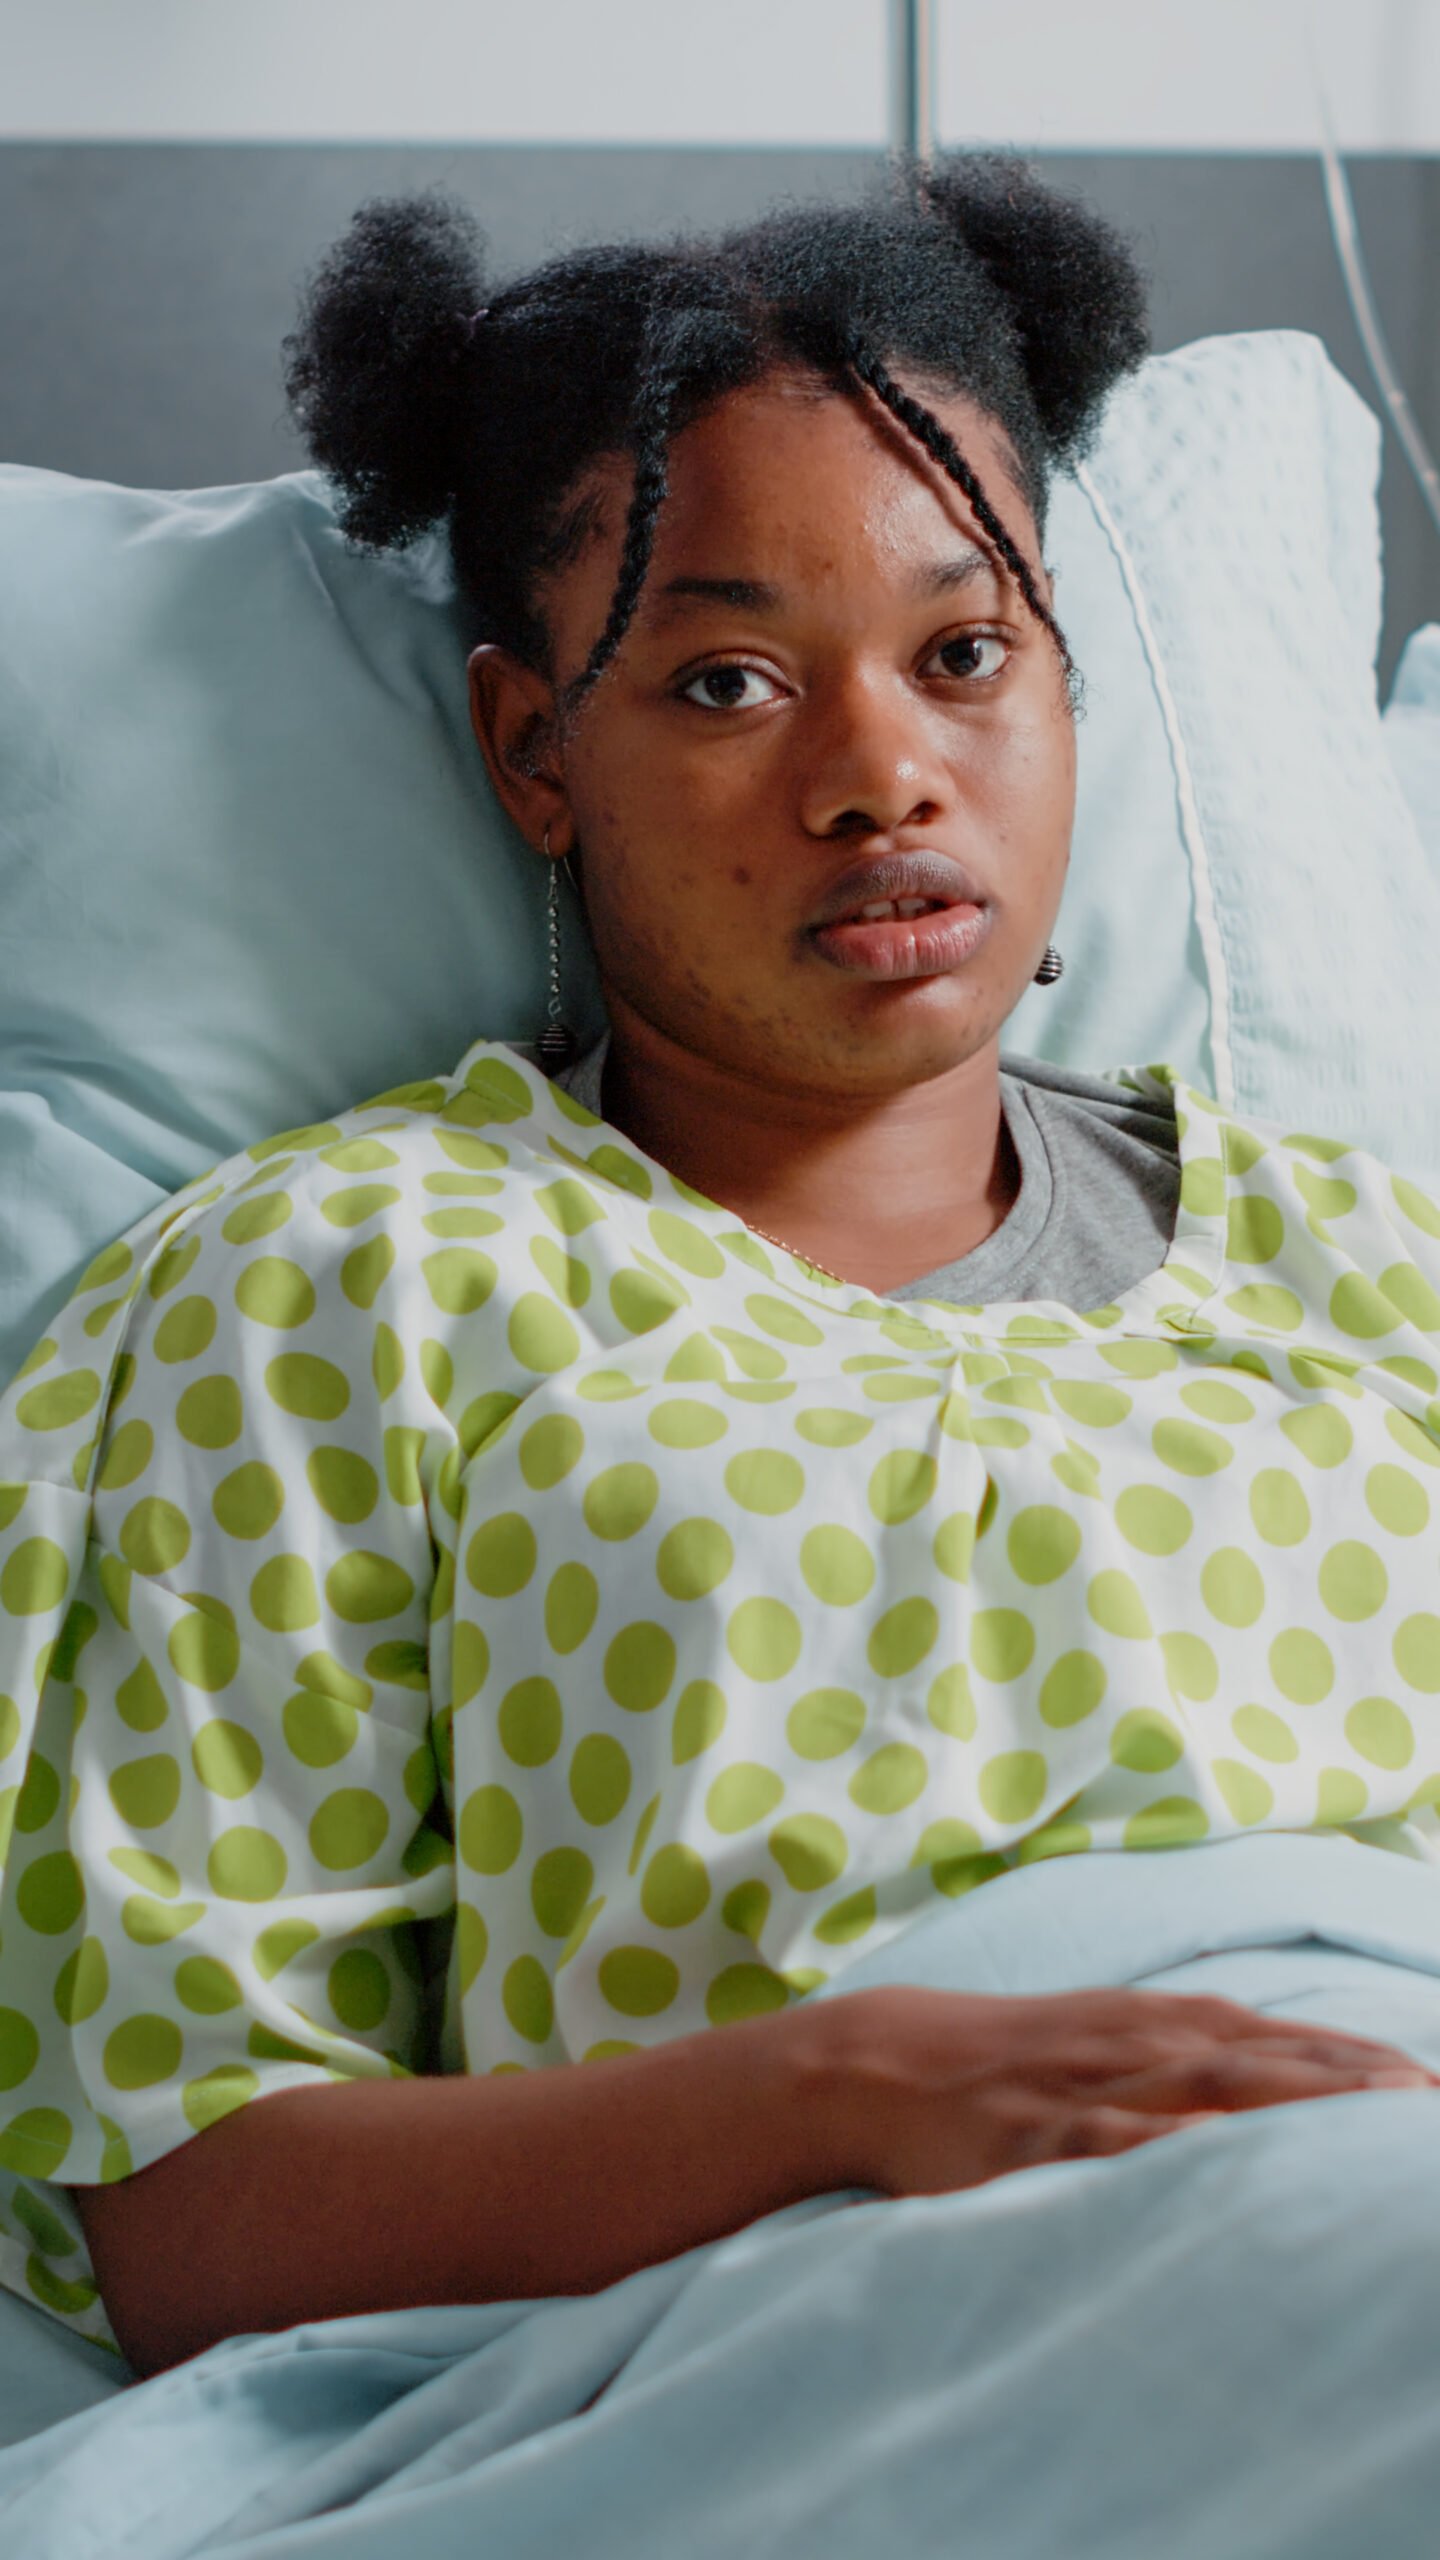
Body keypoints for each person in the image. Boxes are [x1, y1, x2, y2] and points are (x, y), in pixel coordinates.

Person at [1, 156, 1437, 2389]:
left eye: (967, 653)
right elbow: (185, 2205)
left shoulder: (1377, 1276)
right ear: (534, 751)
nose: (884, 776)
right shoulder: (345, 1295)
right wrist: (839, 2098)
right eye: (730, 679)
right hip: (792, 2358)